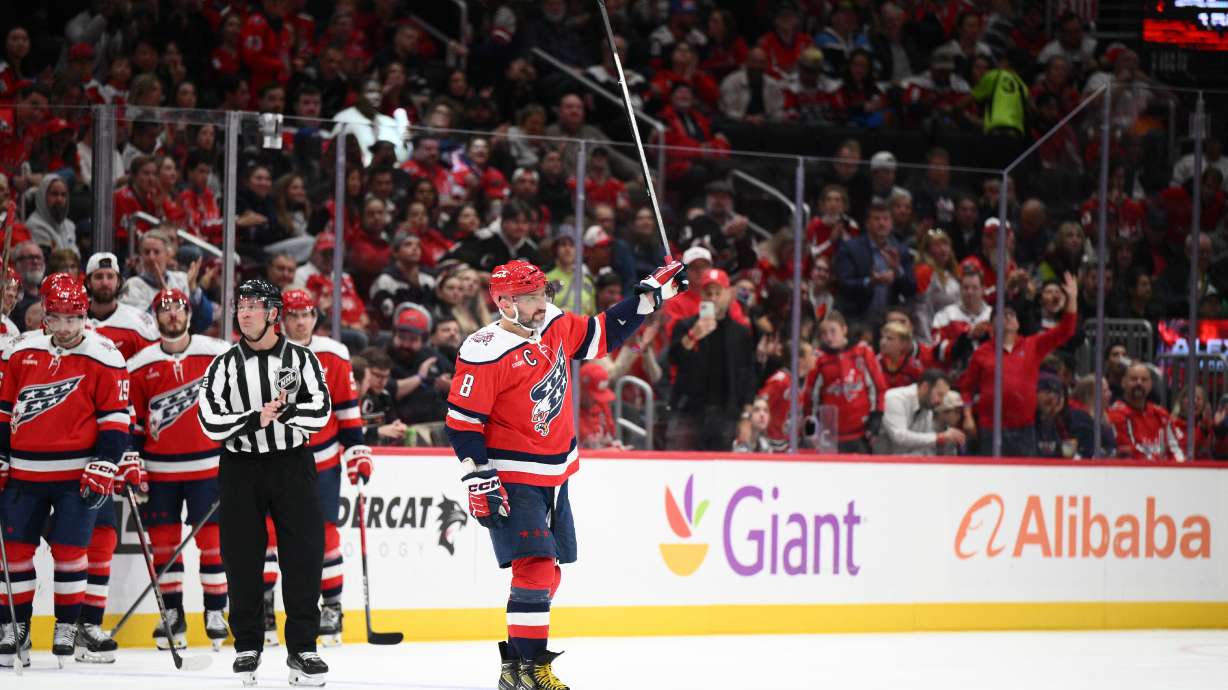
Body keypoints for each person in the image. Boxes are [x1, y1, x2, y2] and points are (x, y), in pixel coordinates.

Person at [445, 257, 686, 690]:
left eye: (542, 293)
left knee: (548, 573)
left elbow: (598, 336)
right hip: (513, 476)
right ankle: (534, 668)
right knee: (535, 569)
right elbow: (462, 423)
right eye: (530, 297)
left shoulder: (553, 323)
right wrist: (478, 475)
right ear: (504, 303)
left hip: (556, 474)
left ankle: (514, 668)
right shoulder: (484, 349)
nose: (541, 303)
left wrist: (650, 297)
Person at [196, 279, 331, 686]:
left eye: (254, 305)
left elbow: (321, 411)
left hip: (292, 464)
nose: (244, 312)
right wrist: (254, 419)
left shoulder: (303, 359)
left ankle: (303, 646)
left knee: (304, 557)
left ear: (273, 313)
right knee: (242, 559)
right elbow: (208, 419)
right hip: (241, 468)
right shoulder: (222, 364)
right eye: (241, 305)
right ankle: (248, 645)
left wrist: (285, 415)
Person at [0, 275, 129, 668]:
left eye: (74, 318)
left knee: (72, 552)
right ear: (45, 318)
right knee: (16, 551)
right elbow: (5, 412)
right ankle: (14, 625)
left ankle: (67, 625)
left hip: (77, 475)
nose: (67, 328)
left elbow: (116, 422)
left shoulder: (106, 355)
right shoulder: (19, 352)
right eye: (58, 318)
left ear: (85, 315)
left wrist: (105, 463)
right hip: (25, 472)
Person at [263, 288, 368, 647]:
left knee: (323, 536)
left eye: (306, 314)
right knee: (269, 535)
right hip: (273, 459)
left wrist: (356, 450)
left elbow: (347, 409)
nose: (300, 321)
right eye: (293, 315)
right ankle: (264, 609)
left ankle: (332, 608)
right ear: (281, 318)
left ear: (314, 317)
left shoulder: (334, 354)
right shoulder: (262, 354)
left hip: (321, 461)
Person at [127, 288, 230, 650]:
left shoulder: (216, 354)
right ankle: (172, 613)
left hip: (208, 467)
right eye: (165, 310)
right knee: (165, 544)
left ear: (189, 314)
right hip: (159, 472)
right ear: (155, 317)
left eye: (178, 309)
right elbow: (133, 423)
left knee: (213, 543)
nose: (172, 315)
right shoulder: (139, 365)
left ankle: (216, 610)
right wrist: (133, 459)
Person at [959, 273, 1078, 456]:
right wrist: (968, 417)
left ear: (1017, 323)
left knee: (1025, 479)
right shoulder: (981, 353)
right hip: (990, 428)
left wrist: (1072, 299)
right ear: (991, 326)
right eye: (1000, 315)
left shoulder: (1032, 345)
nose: (1006, 317)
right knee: (992, 479)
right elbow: (967, 389)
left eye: (1011, 314)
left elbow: (1066, 331)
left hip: (1024, 429)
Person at [667, 268, 757, 451]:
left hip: (727, 416)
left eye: (718, 293)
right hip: (689, 413)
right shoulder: (686, 326)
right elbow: (673, 359)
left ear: (728, 294)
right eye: (709, 293)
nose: (714, 298)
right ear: (702, 295)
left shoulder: (741, 333)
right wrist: (693, 335)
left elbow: (749, 378)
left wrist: (746, 418)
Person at [804, 310, 887, 453]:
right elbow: (810, 399)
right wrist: (811, 432)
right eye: (824, 333)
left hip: (861, 433)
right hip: (830, 436)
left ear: (844, 329)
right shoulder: (818, 359)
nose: (829, 337)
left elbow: (879, 388)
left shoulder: (863, 351)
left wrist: (876, 419)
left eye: (833, 331)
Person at [85, 252, 158, 359]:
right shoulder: (68, 320)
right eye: (99, 277)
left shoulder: (139, 323)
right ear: (88, 283)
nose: (105, 283)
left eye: (110, 276)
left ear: (119, 281)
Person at [1107, 362, 1184, 462]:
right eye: (1134, 379)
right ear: (1123, 383)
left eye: (1144, 380)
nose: (1139, 383)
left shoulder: (1161, 414)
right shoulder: (1115, 413)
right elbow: (1127, 453)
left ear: (1151, 384)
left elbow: (1175, 448)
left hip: (1164, 473)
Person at [879, 369, 964, 455]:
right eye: (940, 394)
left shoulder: (927, 408)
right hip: (879, 463)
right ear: (925, 387)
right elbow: (899, 436)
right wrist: (939, 437)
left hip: (905, 463)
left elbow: (924, 445)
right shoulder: (895, 398)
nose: (941, 402)